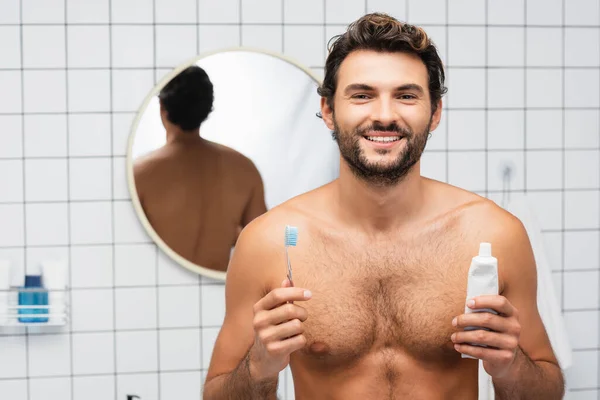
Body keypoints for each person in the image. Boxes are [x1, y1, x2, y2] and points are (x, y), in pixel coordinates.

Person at [203, 13, 565, 399]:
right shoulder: (268, 242)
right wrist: (258, 368)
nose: (385, 115)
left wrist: (510, 368)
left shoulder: (494, 234)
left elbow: (547, 389)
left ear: (435, 112)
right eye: (362, 95)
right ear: (328, 110)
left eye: (406, 95)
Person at [134, 66, 267, 272]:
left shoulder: (139, 174)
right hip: (217, 290)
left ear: (162, 107)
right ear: (207, 107)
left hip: (161, 287)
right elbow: (261, 245)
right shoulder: (244, 169)